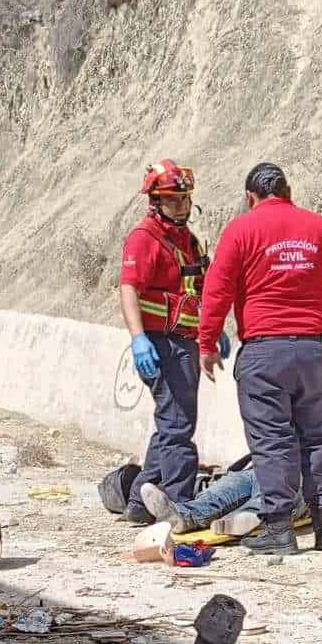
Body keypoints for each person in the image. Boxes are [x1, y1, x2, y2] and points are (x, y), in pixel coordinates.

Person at [197, 162, 322, 556]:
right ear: (288, 192)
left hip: (264, 352)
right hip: (313, 350)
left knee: (272, 441)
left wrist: (206, 343)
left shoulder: (241, 230)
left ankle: (278, 528)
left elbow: (216, 292)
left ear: (250, 197)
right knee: (317, 438)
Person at [140, 349, 322, 535]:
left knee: (296, 480)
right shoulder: (290, 382)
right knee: (242, 480)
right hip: (288, 459)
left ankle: (251, 515)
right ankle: (183, 514)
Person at [117, 159, 226, 523]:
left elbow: (198, 287)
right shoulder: (144, 238)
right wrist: (138, 339)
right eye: (173, 200)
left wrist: (213, 329)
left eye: (185, 199)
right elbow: (128, 287)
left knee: (171, 422)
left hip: (185, 341)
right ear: (155, 201)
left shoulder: (188, 241)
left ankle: (138, 501)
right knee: (178, 425)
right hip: (160, 343)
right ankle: (180, 504)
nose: (181, 206)